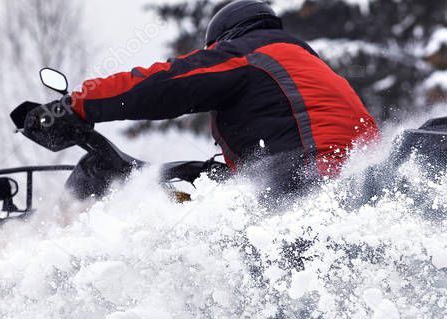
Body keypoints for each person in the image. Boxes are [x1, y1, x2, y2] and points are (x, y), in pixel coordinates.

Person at [70, 0, 379, 194]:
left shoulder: (248, 54)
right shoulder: (306, 65)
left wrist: (78, 105)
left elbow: (167, 84)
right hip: (355, 179)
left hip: (307, 181)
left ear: (223, 40)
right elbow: (284, 130)